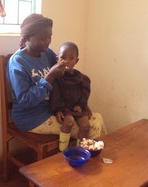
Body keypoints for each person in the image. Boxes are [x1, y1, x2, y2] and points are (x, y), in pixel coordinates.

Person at [8, 13, 107, 150]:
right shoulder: (18, 62)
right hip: (32, 117)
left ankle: (77, 158)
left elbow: (67, 77)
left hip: (54, 108)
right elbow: (25, 100)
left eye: (50, 36)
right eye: (43, 38)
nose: (48, 41)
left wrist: (81, 103)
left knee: (96, 118)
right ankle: (77, 161)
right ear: (28, 37)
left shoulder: (47, 53)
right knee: (92, 126)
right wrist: (48, 78)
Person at [50, 41, 92, 151]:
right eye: (63, 57)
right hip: (65, 108)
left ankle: (79, 150)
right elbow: (55, 95)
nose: (67, 61)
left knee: (86, 125)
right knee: (68, 122)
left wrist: (81, 105)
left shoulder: (82, 78)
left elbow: (85, 93)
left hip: (77, 107)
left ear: (76, 61)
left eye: (71, 58)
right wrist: (58, 110)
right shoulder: (57, 78)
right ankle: (62, 150)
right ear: (57, 59)